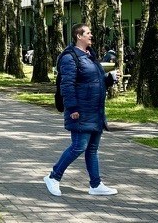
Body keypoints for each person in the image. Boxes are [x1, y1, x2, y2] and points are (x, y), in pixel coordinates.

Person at [43, 23, 119, 197]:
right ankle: (53, 177)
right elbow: (67, 85)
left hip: (95, 111)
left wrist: (110, 79)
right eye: (88, 33)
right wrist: (73, 108)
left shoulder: (90, 55)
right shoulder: (69, 57)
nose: (91, 35)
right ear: (79, 36)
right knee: (78, 147)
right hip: (81, 110)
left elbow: (95, 81)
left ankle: (95, 184)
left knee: (92, 149)